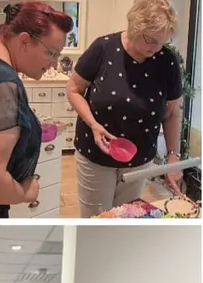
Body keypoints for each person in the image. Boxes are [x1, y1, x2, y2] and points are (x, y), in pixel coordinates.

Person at [66, 0, 185, 217]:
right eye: (151, 40)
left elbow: (173, 113)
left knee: (127, 216)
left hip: (140, 159)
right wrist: (93, 125)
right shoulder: (103, 48)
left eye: (162, 42)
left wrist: (173, 156)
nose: (156, 48)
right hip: (96, 153)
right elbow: (73, 89)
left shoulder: (167, 61)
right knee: (98, 219)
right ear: (135, 28)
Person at [0, 2, 74, 218]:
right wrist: (23, 193)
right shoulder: (3, 85)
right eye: (51, 54)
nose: (55, 64)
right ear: (23, 41)